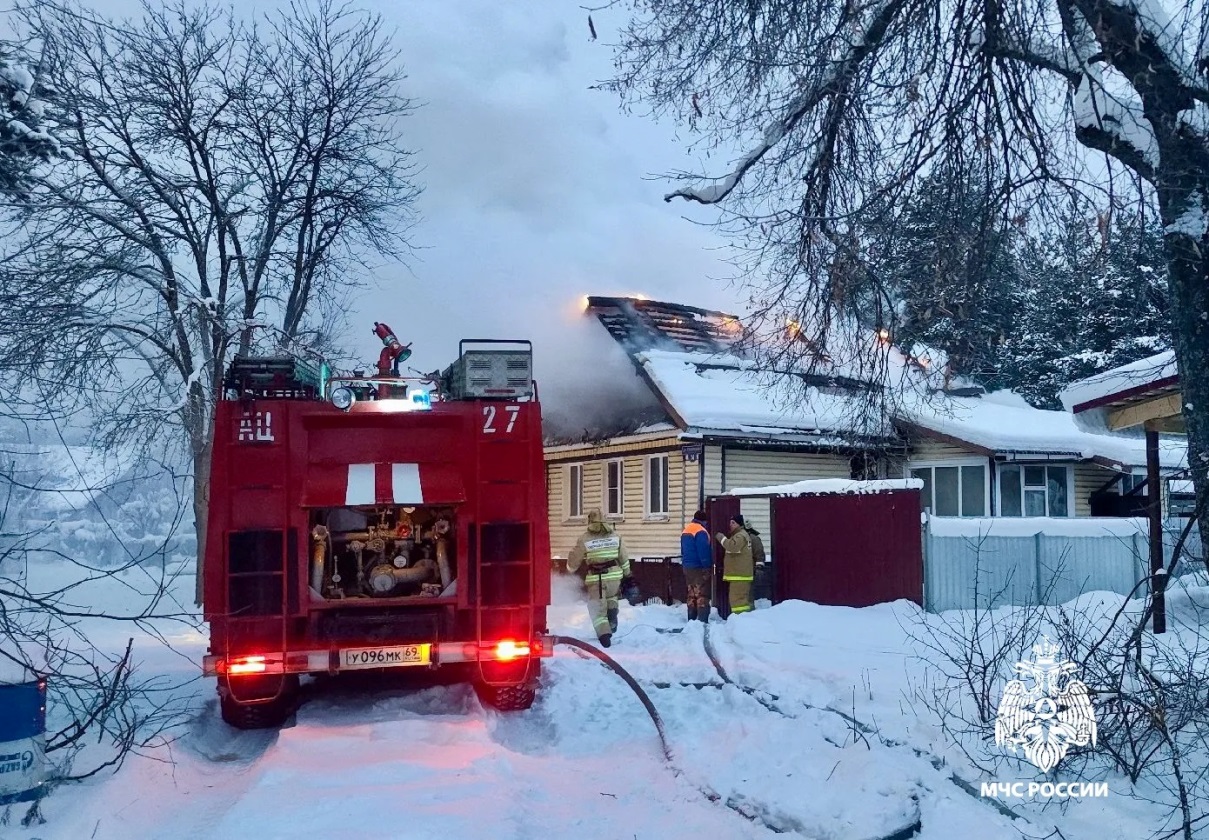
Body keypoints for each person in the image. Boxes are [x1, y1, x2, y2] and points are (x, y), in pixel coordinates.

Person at [567, 509, 631, 647]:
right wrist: (628, 574)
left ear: (590, 521)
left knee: (596, 608)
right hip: (615, 577)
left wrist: (570, 568)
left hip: (597, 579)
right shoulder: (616, 536)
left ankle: (604, 636)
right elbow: (624, 557)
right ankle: (612, 615)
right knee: (611, 598)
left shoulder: (585, 539)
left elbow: (574, 560)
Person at [715, 514, 754, 616]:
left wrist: (721, 538)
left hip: (740, 576)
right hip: (741, 575)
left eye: (733, 523)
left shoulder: (740, 536)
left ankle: (740, 620)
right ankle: (744, 618)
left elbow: (732, 547)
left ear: (739, 524)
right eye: (730, 523)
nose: (730, 525)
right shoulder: (741, 535)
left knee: (738, 602)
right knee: (741, 600)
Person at [680, 509, 713, 622]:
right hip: (698, 567)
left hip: (687, 567)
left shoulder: (686, 530)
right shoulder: (701, 531)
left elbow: (683, 550)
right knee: (702, 594)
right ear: (703, 521)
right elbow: (703, 551)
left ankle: (691, 619)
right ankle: (702, 621)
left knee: (691, 593)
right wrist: (707, 566)